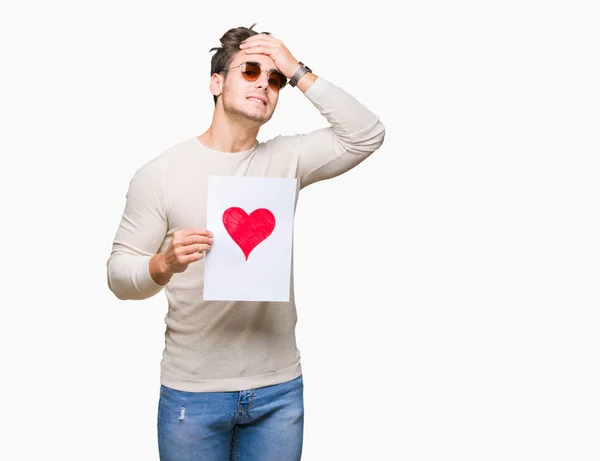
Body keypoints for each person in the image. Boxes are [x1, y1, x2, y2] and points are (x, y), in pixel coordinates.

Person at [106, 23, 385, 461]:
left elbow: (367, 133)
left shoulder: (286, 158)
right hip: (193, 394)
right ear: (216, 83)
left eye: (274, 80)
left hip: (277, 391)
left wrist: (297, 70)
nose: (264, 84)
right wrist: (163, 264)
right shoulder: (161, 173)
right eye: (250, 71)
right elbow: (119, 275)